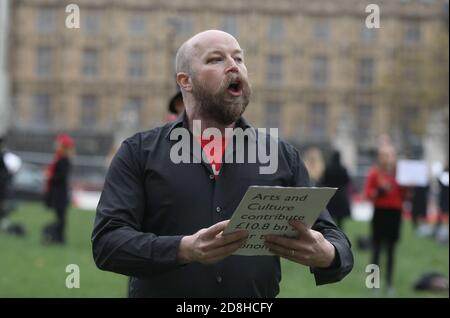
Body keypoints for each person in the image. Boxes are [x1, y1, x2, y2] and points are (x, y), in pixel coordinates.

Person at [92, 30, 353, 298]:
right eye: (216, 59)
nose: (233, 65)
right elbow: (107, 243)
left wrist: (328, 255)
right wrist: (184, 249)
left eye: (239, 59)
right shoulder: (138, 152)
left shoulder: (281, 156)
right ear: (186, 81)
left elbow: (334, 239)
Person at [364, 144, 406, 293]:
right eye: (385, 155)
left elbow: (404, 195)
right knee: (376, 249)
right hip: (380, 213)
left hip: (395, 213)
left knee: (391, 250)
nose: (388, 158)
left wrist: (409, 186)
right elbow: (368, 194)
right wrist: (381, 191)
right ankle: (373, 284)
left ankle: (389, 283)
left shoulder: (399, 174)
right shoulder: (375, 173)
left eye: (390, 154)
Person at [43, 133, 74, 244]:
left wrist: (50, 176)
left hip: (60, 193)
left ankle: (59, 238)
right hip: (57, 192)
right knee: (59, 216)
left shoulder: (63, 160)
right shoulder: (59, 158)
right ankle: (58, 237)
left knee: (61, 217)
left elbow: (61, 176)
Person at [320, 150, 352, 229]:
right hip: (340, 195)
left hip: (330, 195)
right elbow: (347, 181)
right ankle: (340, 235)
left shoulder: (328, 168)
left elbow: (323, 181)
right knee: (340, 220)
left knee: (330, 217)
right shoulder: (343, 168)